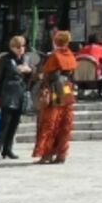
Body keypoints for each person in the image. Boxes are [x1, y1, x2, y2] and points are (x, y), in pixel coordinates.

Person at [32, 30, 77, 164]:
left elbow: (50, 75)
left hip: (54, 92)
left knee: (49, 122)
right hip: (67, 89)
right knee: (64, 123)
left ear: (56, 42)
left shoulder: (55, 56)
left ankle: (47, 154)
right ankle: (61, 154)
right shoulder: (70, 54)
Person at [0, 35, 32, 162]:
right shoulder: (6, 59)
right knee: (4, 124)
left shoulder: (26, 59)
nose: (21, 49)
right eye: (18, 47)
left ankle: (7, 149)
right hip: (7, 94)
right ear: (12, 47)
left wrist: (29, 71)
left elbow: (30, 77)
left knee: (14, 123)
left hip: (20, 94)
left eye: (23, 46)